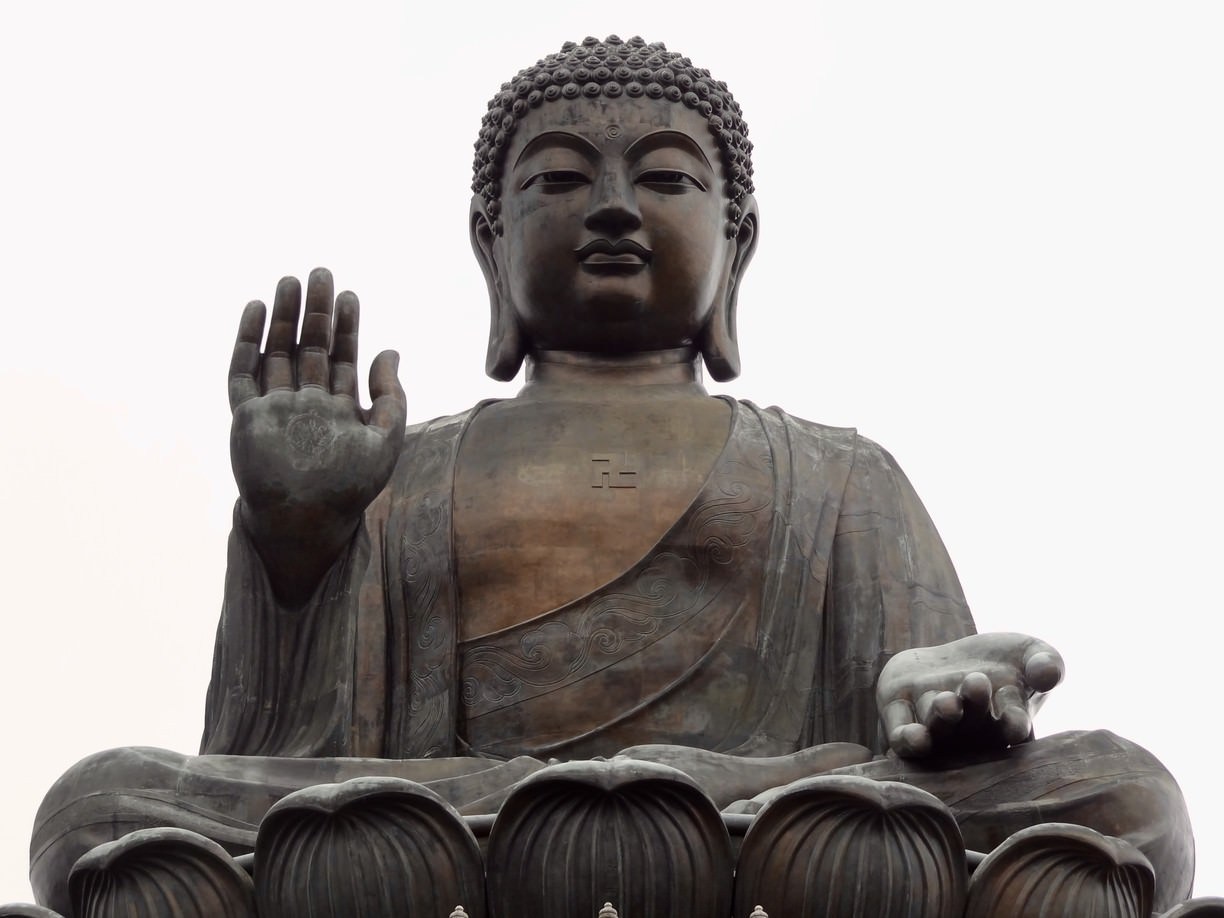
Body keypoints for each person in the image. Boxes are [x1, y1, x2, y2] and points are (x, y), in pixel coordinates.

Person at [30, 36, 1194, 914]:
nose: (616, 208)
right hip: (470, 829)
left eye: (669, 179)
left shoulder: (842, 477)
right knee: (101, 807)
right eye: (559, 180)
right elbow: (278, 760)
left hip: (773, 819)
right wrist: (298, 546)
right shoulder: (400, 474)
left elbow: (926, 725)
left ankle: (668, 811)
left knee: (1126, 797)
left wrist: (945, 697)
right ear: (490, 243)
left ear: (738, 243)